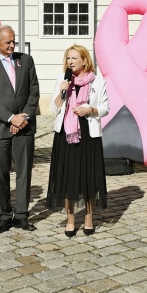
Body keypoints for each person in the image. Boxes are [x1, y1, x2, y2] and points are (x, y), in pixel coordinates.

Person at [0, 25, 41, 234]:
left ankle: (22, 215)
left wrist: (24, 117)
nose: (13, 45)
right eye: (8, 42)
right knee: (1, 174)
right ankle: (4, 216)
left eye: (14, 41)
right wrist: (11, 118)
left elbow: (34, 92)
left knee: (24, 173)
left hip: (25, 126)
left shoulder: (26, 60)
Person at [46, 44, 109, 236]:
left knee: (88, 177)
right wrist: (61, 93)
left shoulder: (97, 82)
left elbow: (105, 108)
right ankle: (70, 220)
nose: (70, 62)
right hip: (65, 134)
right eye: (68, 58)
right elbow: (53, 109)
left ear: (84, 60)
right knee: (66, 177)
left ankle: (89, 218)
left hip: (88, 133)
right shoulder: (62, 79)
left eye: (74, 58)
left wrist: (90, 109)